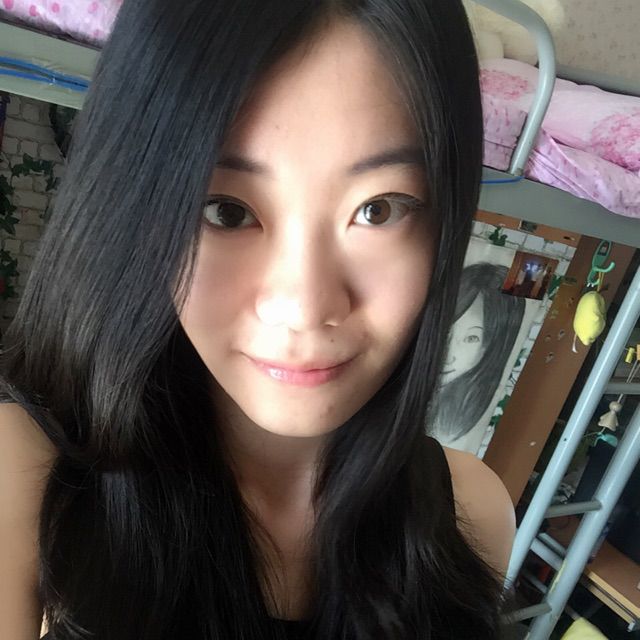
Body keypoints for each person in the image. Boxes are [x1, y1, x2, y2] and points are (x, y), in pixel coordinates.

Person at [0, 1, 517, 639]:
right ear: (136, 210)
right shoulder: (21, 478)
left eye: (379, 209)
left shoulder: (474, 511)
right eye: (225, 210)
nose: (304, 307)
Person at [431, 263, 526, 444]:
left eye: (471, 338)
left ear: (491, 346)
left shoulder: (455, 423)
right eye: (446, 331)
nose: (448, 356)